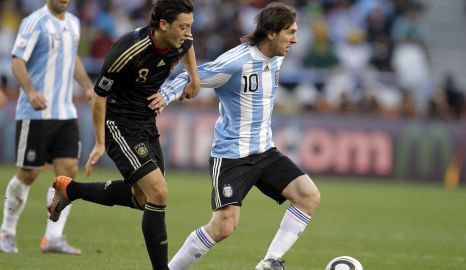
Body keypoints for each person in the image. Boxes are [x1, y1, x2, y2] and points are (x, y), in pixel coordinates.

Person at [160, 3, 320, 270]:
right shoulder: (236, 63)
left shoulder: (277, 57)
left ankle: (269, 263)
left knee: (308, 196)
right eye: (290, 32)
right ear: (271, 32)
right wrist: (163, 97)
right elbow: (193, 75)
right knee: (224, 226)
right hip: (232, 156)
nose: (295, 39)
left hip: (265, 151)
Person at [48, 0, 199, 269]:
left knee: (143, 199)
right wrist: (99, 142)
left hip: (146, 121)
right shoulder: (127, 50)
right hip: (118, 121)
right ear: (163, 25)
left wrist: (192, 79)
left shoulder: (182, 40)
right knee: (159, 194)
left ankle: (70, 189)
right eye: (183, 27)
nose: (188, 33)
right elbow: (98, 96)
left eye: (191, 26)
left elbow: (189, 58)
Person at [0, 0, 93, 255]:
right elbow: (17, 60)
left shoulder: (73, 23)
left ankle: (53, 237)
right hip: (35, 113)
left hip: (65, 113)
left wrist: (87, 86)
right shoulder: (34, 22)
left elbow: (72, 59)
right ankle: (6, 232)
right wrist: (30, 91)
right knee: (28, 174)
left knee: (68, 171)